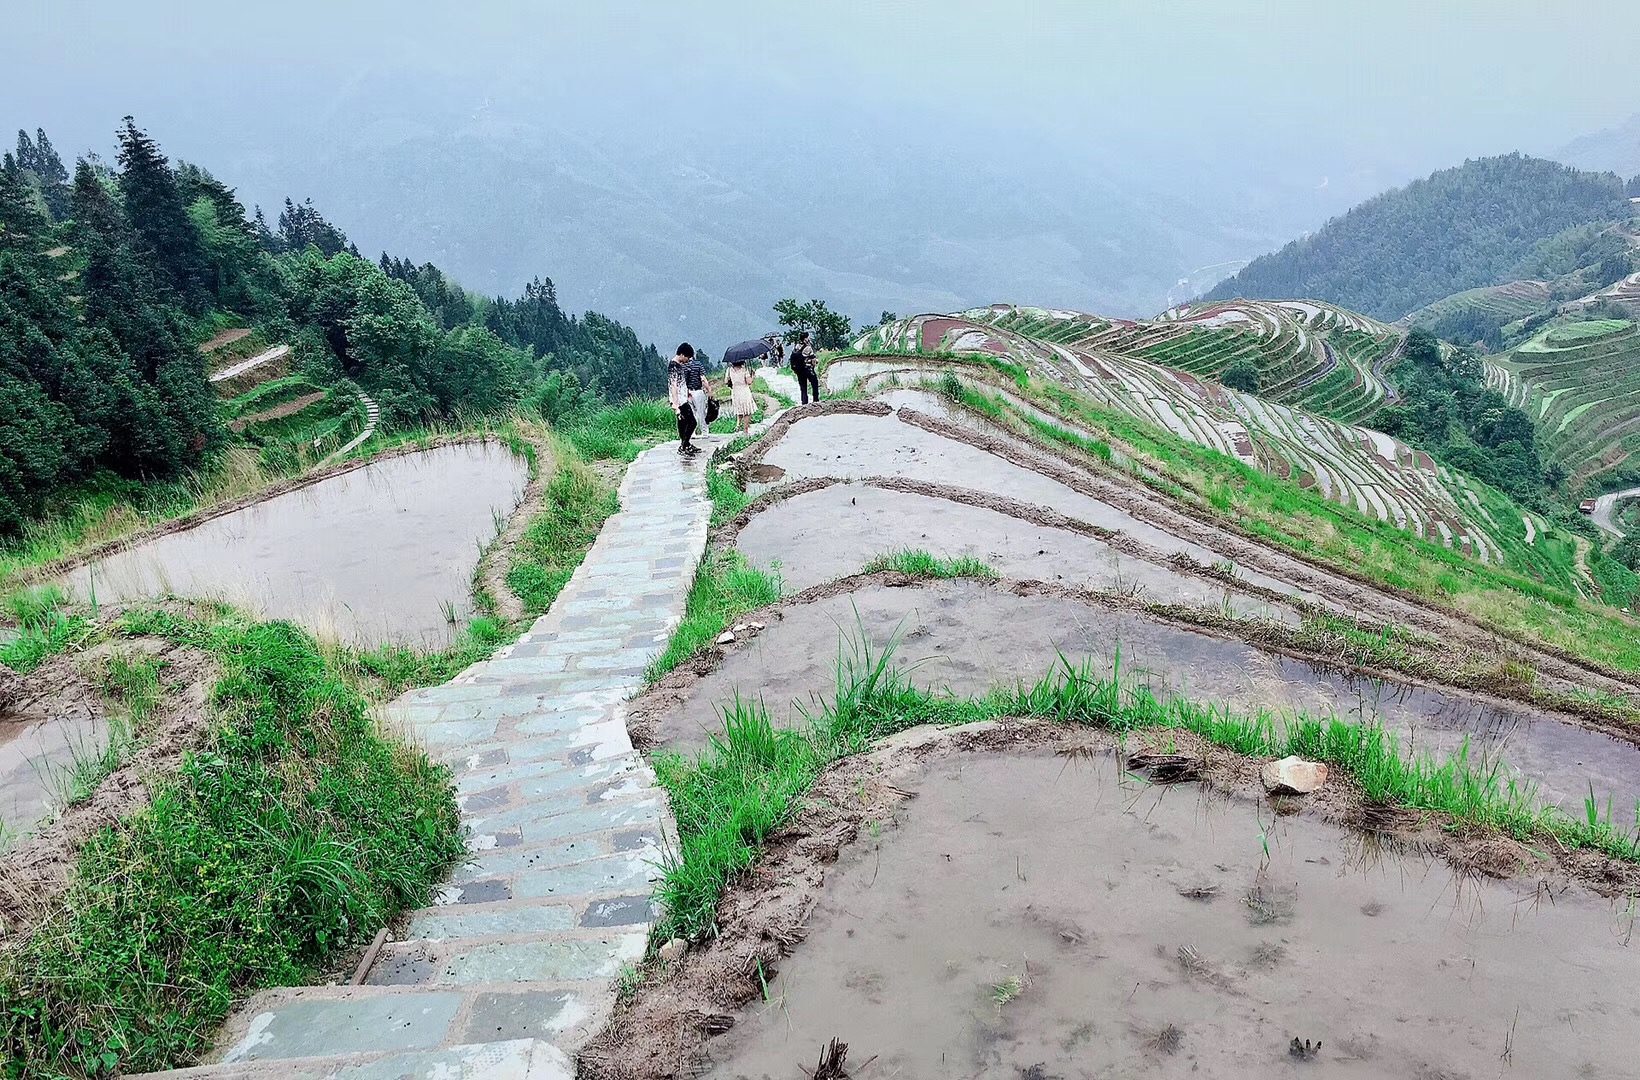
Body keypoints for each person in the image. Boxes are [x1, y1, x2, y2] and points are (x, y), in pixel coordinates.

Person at [668, 343, 702, 455]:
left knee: (684, 423)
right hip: (679, 401)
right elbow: (674, 386)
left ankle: (686, 444)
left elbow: (681, 383)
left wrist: (687, 393)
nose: (688, 360)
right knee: (692, 422)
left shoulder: (679, 365)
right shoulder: (673, 366)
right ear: (682, 354)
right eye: (687, 357)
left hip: (683, 397)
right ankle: (684, 446)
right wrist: (676, 405)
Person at [727, 355, 756, 433]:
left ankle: (738, 425)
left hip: (735, 392)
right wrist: (752, 375)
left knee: (739, 409)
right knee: (747, 411)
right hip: (744, 391)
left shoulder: (729, 370)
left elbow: (726, 381)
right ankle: (745, 429)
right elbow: (749, 382)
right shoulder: (744, 370)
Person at [790, 330, 820, 405]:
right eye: (807, 338)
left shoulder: (796, 347)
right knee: (814, 383)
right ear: (805, 338)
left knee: (803, 387)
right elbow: (813, 360)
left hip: (799, 371)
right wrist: (815, 362)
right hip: (808, 369)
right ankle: (815, 401)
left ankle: (804, 403)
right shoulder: (808, 348)